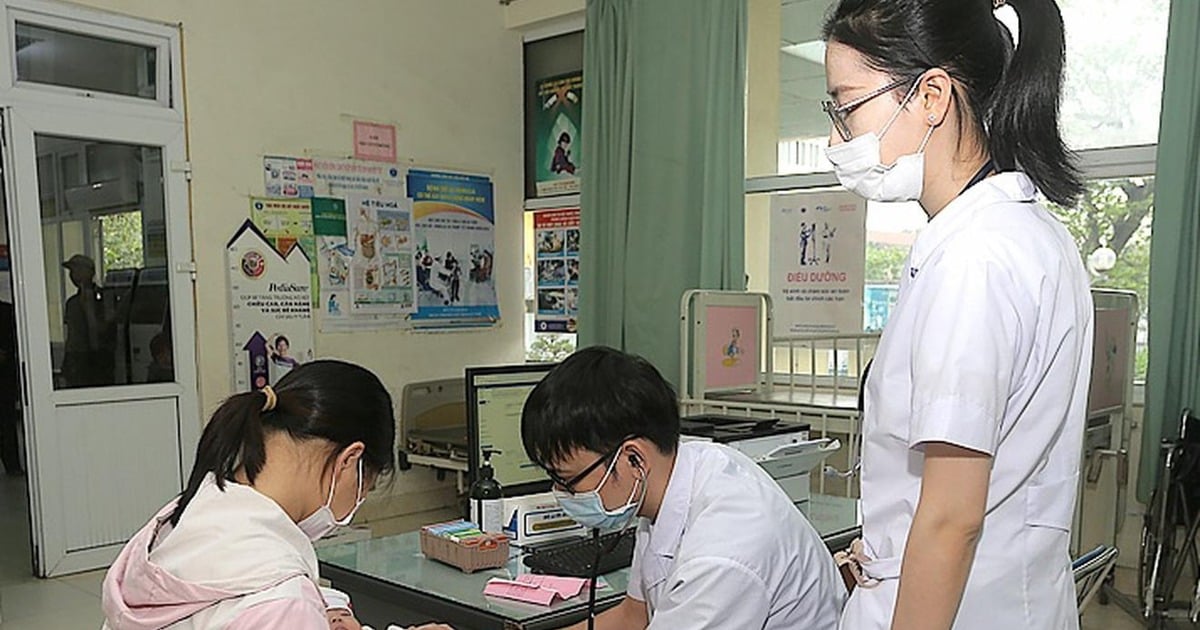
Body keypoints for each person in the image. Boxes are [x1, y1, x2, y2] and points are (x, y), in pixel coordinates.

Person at [819, 1, 1092, 628]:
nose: (839, 138)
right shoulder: (1017, 233)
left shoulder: (976, 257)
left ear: (931, 95)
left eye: (848, 105)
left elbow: (951, 518)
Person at [102, 360, 451, 630]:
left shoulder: (187, 512)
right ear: (350, 461)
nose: (356, 506)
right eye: (366, 487)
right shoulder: (284, 601)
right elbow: (277, 606)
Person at [521, 347, 845, 629]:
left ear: (633, 457)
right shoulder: (676, 477)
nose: (561, 491)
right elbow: (634, 617)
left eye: (568, 479)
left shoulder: (721, 553)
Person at [61, 254, 114, 388]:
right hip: (76, 358)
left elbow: (105, 328)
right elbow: (71, 335)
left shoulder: (105, 298)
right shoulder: (72, 303)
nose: (74, 275)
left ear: (90, 272)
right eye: (72, 271)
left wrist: (88, 309)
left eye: (78, 270)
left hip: (99, 359)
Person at [0, 300, 21, 476]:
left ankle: (12, 463)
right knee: (7, 421)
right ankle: (12, 464)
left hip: (6, 376)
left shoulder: (8, 312)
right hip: (6, 375)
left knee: (7, 420)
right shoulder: (7, 311)